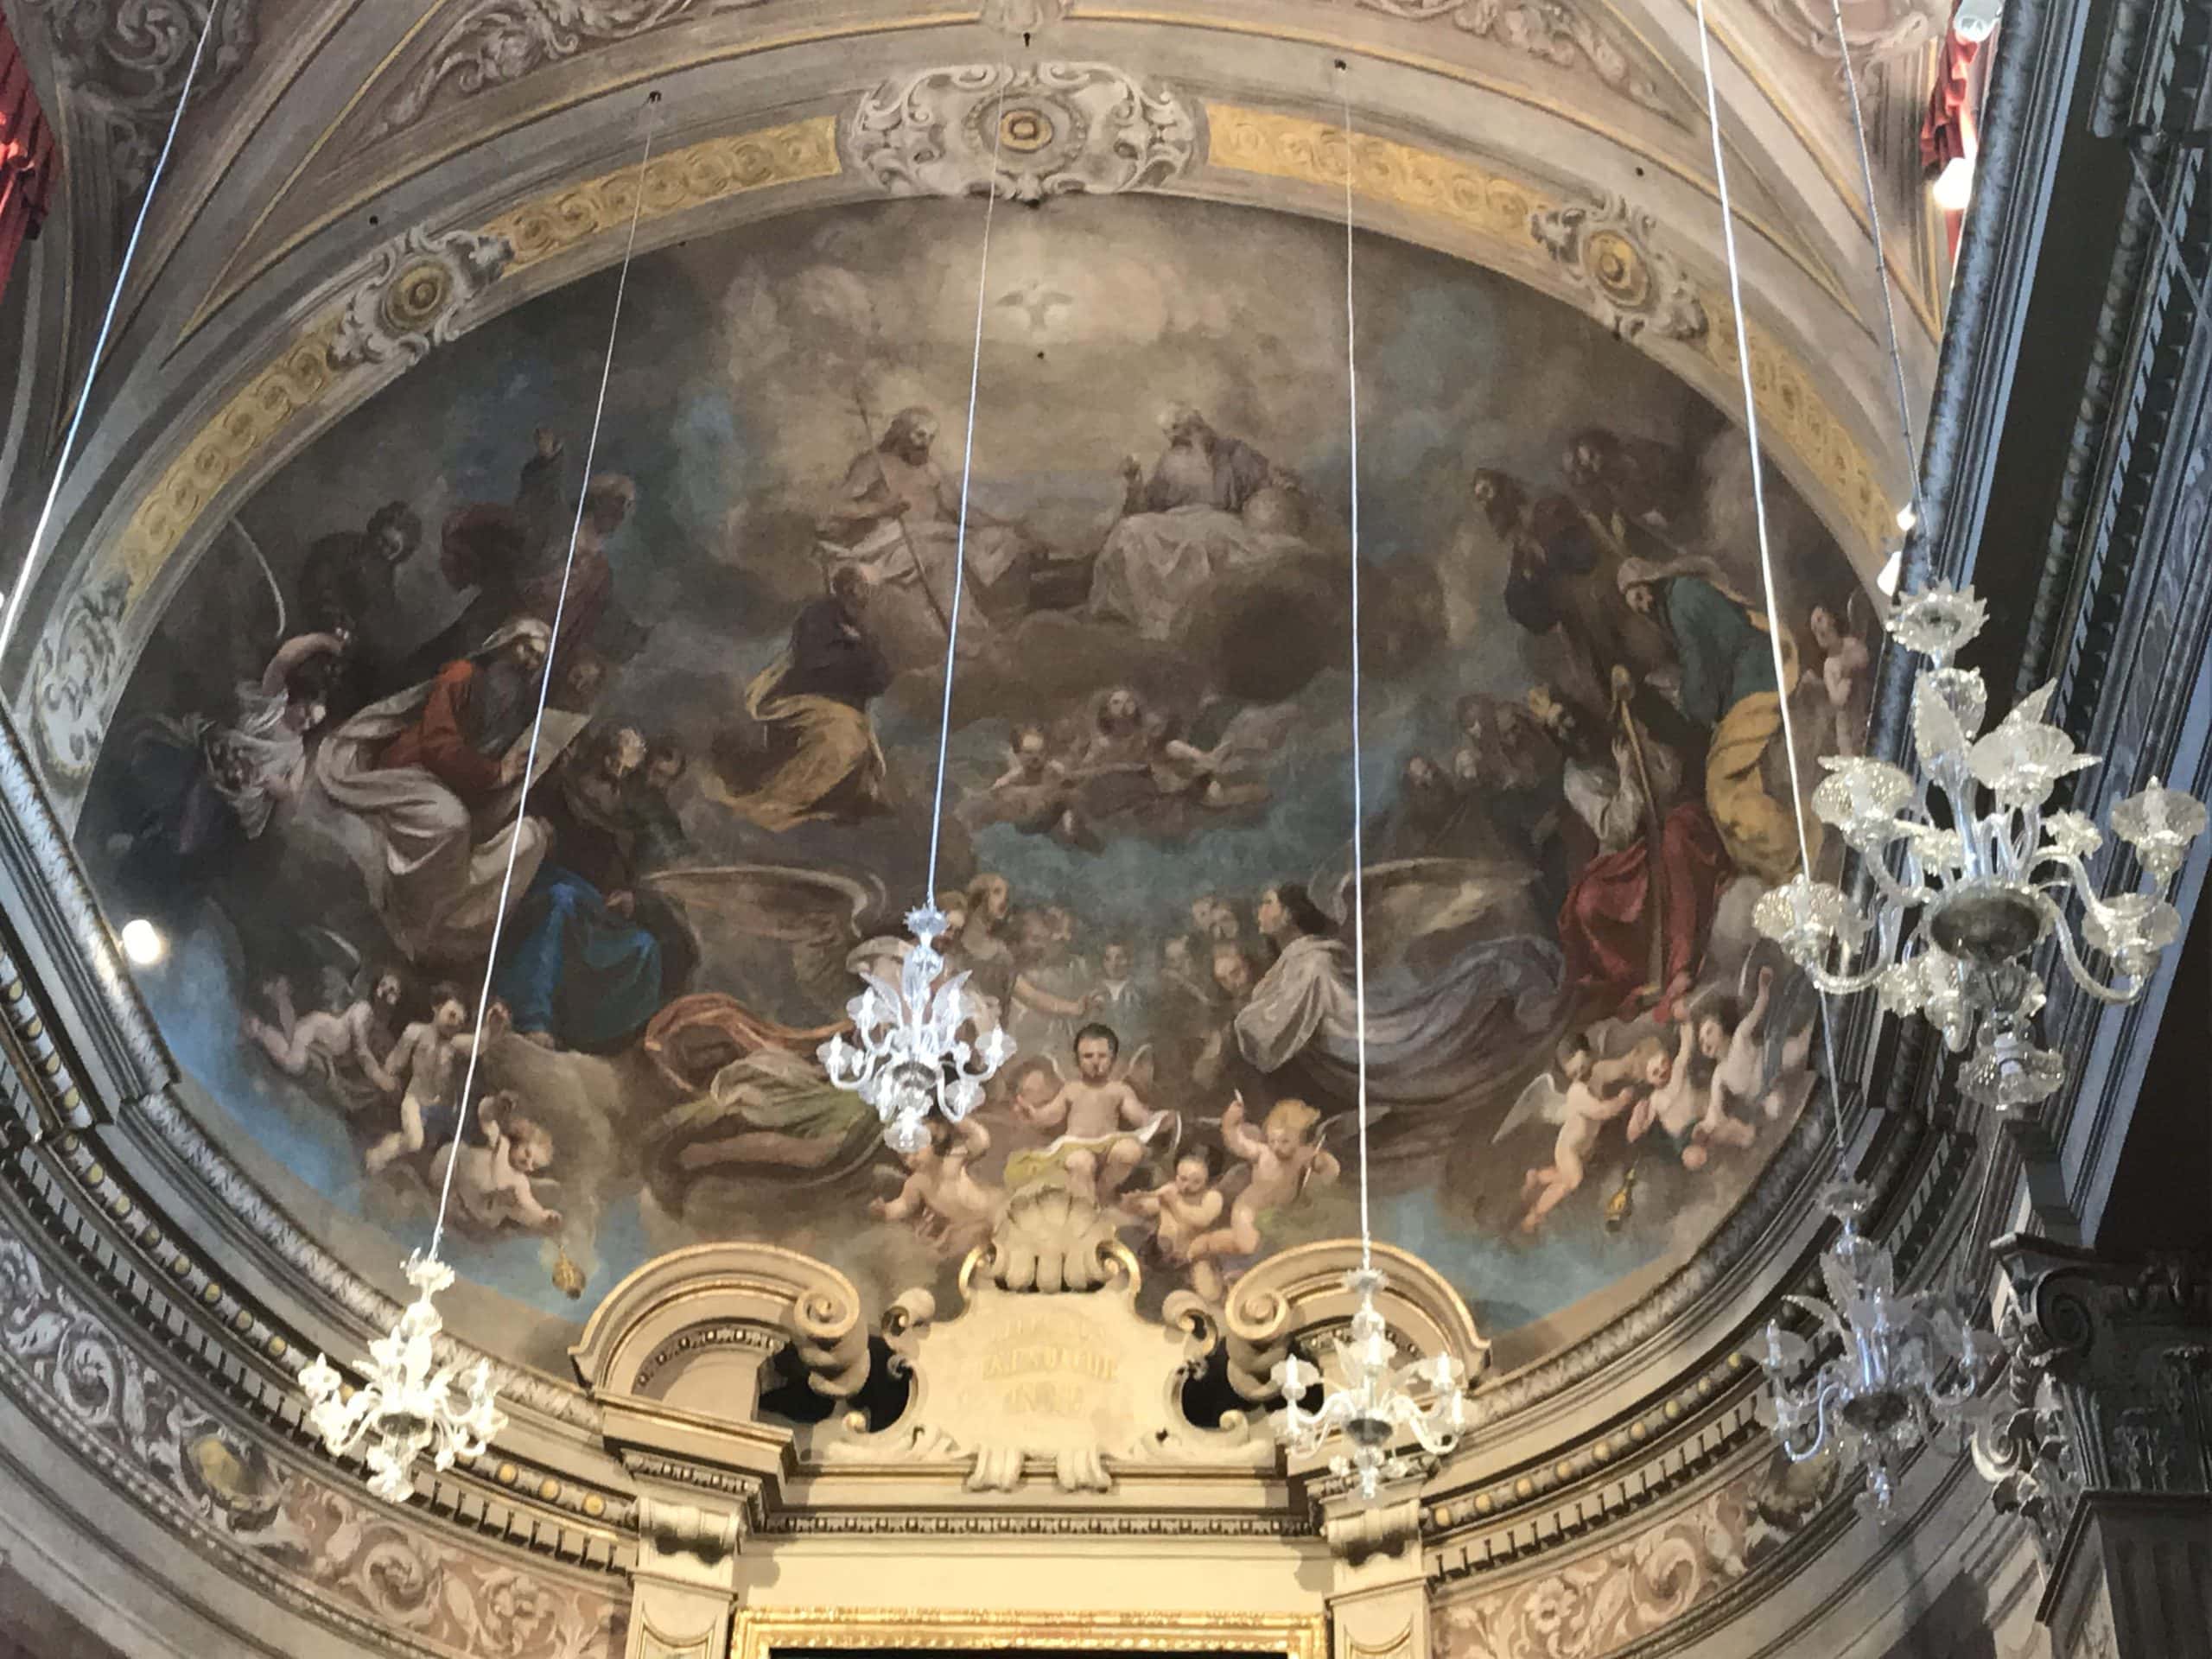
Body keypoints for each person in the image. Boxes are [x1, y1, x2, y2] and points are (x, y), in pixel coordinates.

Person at [1233, 881, 1567, 1134]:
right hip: (1361, 1036)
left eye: (1267, 903)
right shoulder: (1299, 962)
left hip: (1374, 1036)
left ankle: (1526, 988)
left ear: (1289, 913)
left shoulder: (1313, 963)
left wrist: (1242, 1018)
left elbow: (1266, 1034)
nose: (1258, 911)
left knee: (1469, 984)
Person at [315, 620, 554, 963]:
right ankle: (411, 902)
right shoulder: (463, 674)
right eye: (526, 649)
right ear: (506, 642)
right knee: (451, 824)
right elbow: (437, 742)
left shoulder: (512, 701)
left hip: (445, 779)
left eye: (537, 659)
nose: (529, 661)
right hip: (413, 766)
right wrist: (495, 773)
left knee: (462, 824)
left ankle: (420, 908)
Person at [1528, 682, 1729, 1020]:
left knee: (1676, 845)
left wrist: (1643, 749)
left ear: (1578, 711)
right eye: (1558, 729)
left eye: (1567, 718)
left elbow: (1671, 780)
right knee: (1587, 904)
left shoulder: (1621, 734)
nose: (1569, 729)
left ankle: (1680, 965)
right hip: (1629, 850)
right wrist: (1626, 774)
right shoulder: (1575, 779)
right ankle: (1635, 979)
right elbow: (1615, 830)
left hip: (1668, 820)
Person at [1618, 556, 1816, 886]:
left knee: (1724, 789)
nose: (1641, 608)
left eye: (1639, 597)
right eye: (1634, 606)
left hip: (1755, 678)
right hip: (1749, 674)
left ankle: (1792, 851)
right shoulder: (1678, 599)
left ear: (1650, 583)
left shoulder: (1680, 603)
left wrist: (1695, 707)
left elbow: (1702, 663)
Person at [817, 405, 1032, 666]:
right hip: (885, 544)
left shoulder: (931, 470)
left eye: (931, 437)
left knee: (1001, 539)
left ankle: (995, 613)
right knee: (942, 557)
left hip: (930, 536)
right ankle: (968, 636)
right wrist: (880, 508)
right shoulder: (874, 464)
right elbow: (835, 508)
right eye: (920, 436)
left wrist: (1001, 525)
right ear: (901, 434)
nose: (926, 444)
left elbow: (958, 510)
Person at [1090, 406, 1311, 640]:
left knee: (1188, 545)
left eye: (1177, 429)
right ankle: (1144, 616)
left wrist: (1284, 485)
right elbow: (1149, 505)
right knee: (1130, 531)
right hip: (1176, 521)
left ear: (1196, 426)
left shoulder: (1235, 454)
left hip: (1220, 524)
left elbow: (1270, 482)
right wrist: (1134, 483)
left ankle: (1168, 622)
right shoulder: (1170, 463)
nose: (1173, 438)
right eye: (1169, 433)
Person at [710, 566, 893, 831]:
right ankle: (779, 804)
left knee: (858, 738)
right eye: (854, 589)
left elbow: (880, 678)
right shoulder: (818, 617)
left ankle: (836, 803)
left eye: (864, 592)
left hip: (841, 705)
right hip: (799, 697)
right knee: (842, 736)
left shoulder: (861, 631)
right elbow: (816, 665)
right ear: (844, 589)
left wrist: (858, 652)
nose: (859, 597)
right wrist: (854, 656)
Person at [1006, 1024, 1164, 1205]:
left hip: (1108, 1146)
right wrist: (1033, 1114)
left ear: (1113, 1059)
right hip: (1076, 1145)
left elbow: (1137, 1115)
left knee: (1129, 1151)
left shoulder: (1119, 1090)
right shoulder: (1071, 1089)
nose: (1095, 1061)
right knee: (1081, 1163)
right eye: (1088, 1056)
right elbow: (1052, 1115)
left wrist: (1155, 1120)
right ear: (1078, 1061)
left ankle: (1103, 1192)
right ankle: (1087, 1209)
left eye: (1102, 1056)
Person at [297, 501, 423, 717]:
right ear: (374, 529)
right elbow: (317, 583)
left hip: (344, 648)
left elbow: (380, 618)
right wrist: (334, 619)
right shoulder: (340, 547)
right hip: (310, 624)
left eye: (392, 548)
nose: (383, 550)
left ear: (401, 554)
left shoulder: (385, 579)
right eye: (382, 540)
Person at [365, 986, 505, 1175]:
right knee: (414, 1141)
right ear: (436, 1007)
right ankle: (379, 1154)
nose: (455, 1024)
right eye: (452, 1015)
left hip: (442, 1108)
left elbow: (480, 1042)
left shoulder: (455, 1044)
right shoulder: (415, 1032)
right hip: (415, 1099)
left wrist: (492, 1028)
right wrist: (387, 1076)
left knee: (449, 1145)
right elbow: (396, 1060)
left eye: (461, 1022)